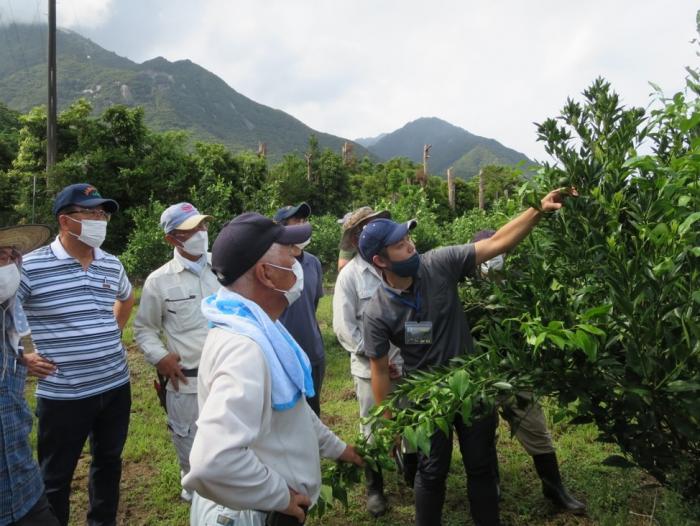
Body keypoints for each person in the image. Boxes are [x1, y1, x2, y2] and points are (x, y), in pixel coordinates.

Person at [360, 188, 576, 526]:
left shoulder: (438, 264)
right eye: (400, 245)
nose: (411, 245)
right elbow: (379, 372)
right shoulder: (377, 311)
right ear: (380, 261)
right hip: (427, 399)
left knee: (481, 467)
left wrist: (537, 209)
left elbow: (498, 242)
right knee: (432, 473)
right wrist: (391, 426)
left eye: (408, 239)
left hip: (472, 389)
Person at [183, 212, 363, 526]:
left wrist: (339, 449)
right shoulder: (245, 349)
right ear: (266, 273)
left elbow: (290, 410)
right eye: (289, 252)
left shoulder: (261, 330)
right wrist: (278, 495)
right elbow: (211, 461)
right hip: (253, 516)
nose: (298, 258)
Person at [19, 184, 135, 526]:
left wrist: (112, 332)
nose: (101, 220)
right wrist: (22, 355)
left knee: (109, 463)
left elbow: (126, 298)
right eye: (92, 213)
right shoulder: (31, 266)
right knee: (56, 476)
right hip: (64, 394)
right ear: (66, 221)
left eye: (104, 213)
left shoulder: (111, 264)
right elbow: (5, 311)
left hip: (116, 385)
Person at [471, 229, 585, 514]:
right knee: (482, 432)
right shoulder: (464, 285)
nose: (493, 260)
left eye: (498, 253)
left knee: (534, 425)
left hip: (516, 369)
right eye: (487, 253)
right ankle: (492, 483)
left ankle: (554, 487)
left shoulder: (519, 282)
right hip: (477, 372)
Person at [133, 202, 219, 503]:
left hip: (227, 375)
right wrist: (160, 356)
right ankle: (196, 497)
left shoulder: (222, 267)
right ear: (172, 239)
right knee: (191, 446)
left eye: (202, 226)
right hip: (186, 382)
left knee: (230, 440)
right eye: (190, 230)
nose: (200, 233)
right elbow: (144, 329)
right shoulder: (159, 281)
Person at [332, 206, 407, 517]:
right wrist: (376, 355)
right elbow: (344, 328)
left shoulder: (401, 265)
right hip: (368, 370)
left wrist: (407, 352)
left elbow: (415, 313)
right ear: (356, 236)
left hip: (405, 364)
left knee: (410, 419)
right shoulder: (350, 277)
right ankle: (375, 487)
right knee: (374, 426)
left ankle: (411, 469)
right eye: (369, 226)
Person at [0, 224, 59, 526]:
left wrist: (23, 357)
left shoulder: (8, 319)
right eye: (0, 257)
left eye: (12, 257)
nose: (8, 265)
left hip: (24, 487)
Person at [273, 203, 325, 415]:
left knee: (313, 413)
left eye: (305, 220)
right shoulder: (273, 264)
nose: (304, 225)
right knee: (288, 418)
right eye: (297, 221)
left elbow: (313, 305)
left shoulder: (313, 263)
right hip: (282, 355)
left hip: (313, 351)